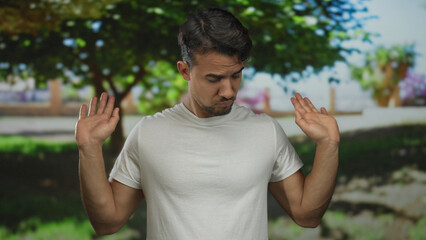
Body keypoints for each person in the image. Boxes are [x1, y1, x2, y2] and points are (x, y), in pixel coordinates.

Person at [75, 8, 340, 239]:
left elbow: (307, 215)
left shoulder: (265, 131)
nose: (228, 91)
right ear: (185, 71)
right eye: (214, 78)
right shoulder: (149, 133)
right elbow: (107, 223)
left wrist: (328, 145)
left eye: (236, 75)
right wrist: (89, 150)